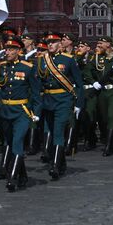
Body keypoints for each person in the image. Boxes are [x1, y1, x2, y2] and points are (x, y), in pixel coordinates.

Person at [0, 35, 41, 192]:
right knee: (9, 142)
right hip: (5, 111)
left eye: (11, 49)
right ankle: (23, 176)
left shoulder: (27, 67)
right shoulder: (1, 66)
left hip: (21, 111)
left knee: (17, 142)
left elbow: (36, 93)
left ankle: (12, 177)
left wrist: (36, 112)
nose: (7, 52)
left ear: (19, 51)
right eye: (6, 49)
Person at [37, 33, 84, 179]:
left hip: (63, 100)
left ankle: (55, 166)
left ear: (60, 44)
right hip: (47, 100)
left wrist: (79, 103)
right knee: (49, 131)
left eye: (54, 42)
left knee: (57, 131)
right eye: (48, 42)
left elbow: (79, 84)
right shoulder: (42, 60)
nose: (50, 44)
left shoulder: (69, 60)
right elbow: (37, 81)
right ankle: (61, 163)